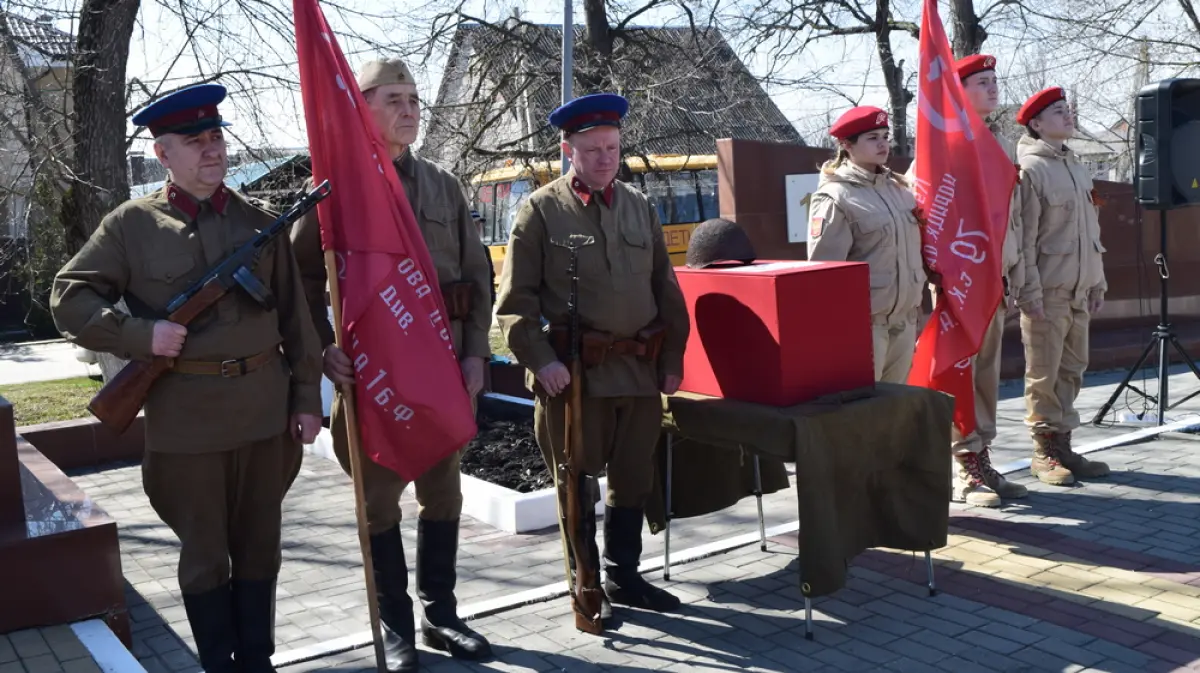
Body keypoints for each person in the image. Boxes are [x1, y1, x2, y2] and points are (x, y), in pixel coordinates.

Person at [49, 82, 325, 673]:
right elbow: (68, 299)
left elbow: (297, 322)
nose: (211, 149)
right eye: (193, 140)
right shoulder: (132, 225)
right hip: (187, 424)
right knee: (204, 556)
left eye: (216, 136)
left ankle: (257, 660)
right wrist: (137, 337)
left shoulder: (261, 224)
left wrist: (307, 397)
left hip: (263, 415)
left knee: (260, 549)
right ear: (162, 153)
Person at [290, 58, 493, 672]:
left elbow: (476, 276)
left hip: (441, 375)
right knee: (378, 506)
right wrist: (323, 345)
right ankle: (395, 626)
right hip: (374, 384)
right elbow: (297, 278)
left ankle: (442, 615)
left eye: (414, 98)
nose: (410, 110)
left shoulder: (442, 185)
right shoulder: (334, 189)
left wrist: (477, 351)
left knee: (443, 496)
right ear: (363, 108)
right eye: (394, 99)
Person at [495, 92, 691, 622]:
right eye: (593, 149)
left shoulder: (638, 206)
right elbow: (514, 304)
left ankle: (624, 577)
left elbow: (665, 287)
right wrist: (542, 361)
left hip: (638, 372)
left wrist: (672, 357)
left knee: (633, 479)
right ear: (569, 149)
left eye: (612, 146)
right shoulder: (540, 210)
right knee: (576, 481)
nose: (605, 157)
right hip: (575, 379)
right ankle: (584, 584)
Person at [939, 54, 1030, 508]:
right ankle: (963, 468)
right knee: (961, 374)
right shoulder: (944, 147)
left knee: (987, 377)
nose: (993, 89)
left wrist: (1012, 275)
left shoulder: (993, 146)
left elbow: (1010, 223)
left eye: (995, 81)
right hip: (960, 285)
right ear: (959, 92)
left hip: (993, 283)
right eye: (982, 82)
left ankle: (981, 456)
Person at [1015, 86, 1110, 486]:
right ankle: (1044, 452)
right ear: (1036, 124)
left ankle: (1064, 444)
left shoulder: (1075, 165)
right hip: (1048, 291)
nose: (1067, 116)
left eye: (1066, 109)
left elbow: (1091, 230)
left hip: (1078, 288)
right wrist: (1029, 293)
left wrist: (1097, 280)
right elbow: (1023, 239)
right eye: (1057, 112)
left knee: (1071, 370)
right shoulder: (1029, 169)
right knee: (1044, 374)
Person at [807, 106, 927, 384]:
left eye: (885, 135)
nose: (883, 143)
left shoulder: (900, 190)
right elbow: (826, 273)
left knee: (895, 408)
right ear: (847, 145)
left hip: (905, 321)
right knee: (862, 410)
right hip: (865, 326)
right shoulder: (836, 196)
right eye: (872, 137)